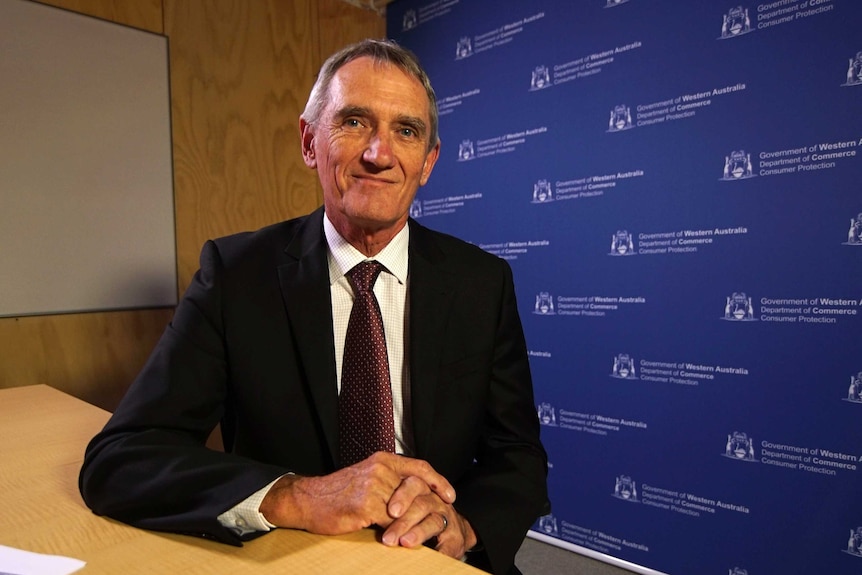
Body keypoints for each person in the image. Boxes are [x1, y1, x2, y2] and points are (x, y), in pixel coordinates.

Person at [79, 39, 548, 575]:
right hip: (292, 557)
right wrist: (299, 497)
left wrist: (463, 528)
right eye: (354, 122)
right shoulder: (235, 276)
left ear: (428, 163)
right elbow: (121, 459)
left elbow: (519, 455)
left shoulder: (482, 284)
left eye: (407, 131)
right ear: (309, 141)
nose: (379, 153)